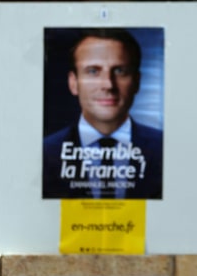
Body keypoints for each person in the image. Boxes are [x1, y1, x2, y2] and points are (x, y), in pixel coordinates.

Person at [43, 28, 163, 199]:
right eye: (93, 71)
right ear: (73, 83)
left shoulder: (165, 149)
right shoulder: (44, 153)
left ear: (136, 82)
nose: (108, 84)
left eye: (120, 71)